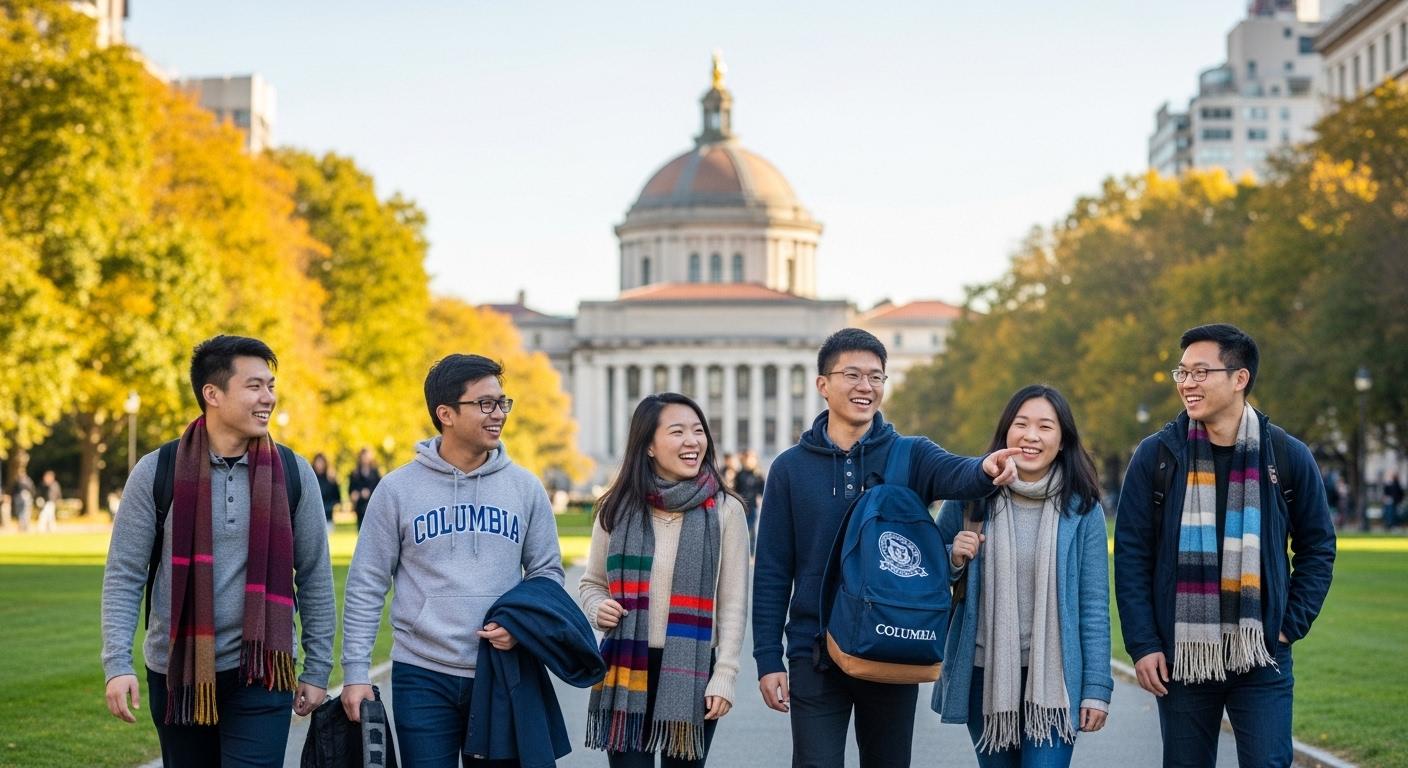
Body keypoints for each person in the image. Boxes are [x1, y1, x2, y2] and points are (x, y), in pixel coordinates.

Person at [752, 327, 1023, 767]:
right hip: (814, 653)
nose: (866, 386)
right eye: (852, 375)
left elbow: (958, 472)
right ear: (823, 384)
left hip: (892, 643)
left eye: (876, 377)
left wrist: (985, 469)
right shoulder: (789, 468)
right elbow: (772, 572)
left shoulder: (910, 454)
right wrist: (768, 659)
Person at [100, 335, 336, 767]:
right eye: (254, 386)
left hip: (264, 670)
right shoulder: (156, 471)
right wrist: (117, 664)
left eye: (271, 385)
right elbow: (124, 574)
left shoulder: (292, 472)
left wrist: (318, 668)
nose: (268, 398)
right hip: (178, 674)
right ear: (212, 394)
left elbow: (315, 574)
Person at [1114, 323, 1336, 767]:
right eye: (1182, 372)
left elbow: (1317, 547)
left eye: (1200, 372)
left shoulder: (1286, 454)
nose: (1187, 383)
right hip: (1182, 657)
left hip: (1261, 654)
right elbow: (1132, 556)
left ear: (1240, 378)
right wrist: (1143, 644)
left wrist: (1287, 626)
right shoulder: (1156, 456)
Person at [339, 353, 565, 767]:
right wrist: (355, 672)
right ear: (446, 414)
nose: (499, 414)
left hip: (501, 670)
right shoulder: (397, 490)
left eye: (502, 402)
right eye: (485, 404)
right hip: (421, 674)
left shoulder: (525, 488)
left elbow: (547, 573)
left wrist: (522, 626)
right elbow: (366, 583)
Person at [931, 385, 1112, 767]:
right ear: (1006, 432)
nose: (1031, 436)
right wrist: (953, 557)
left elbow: (1094, 605)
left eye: (1045, 426)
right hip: (985, 675)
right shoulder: (970, 495)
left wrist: (1096, 687)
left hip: (1056, 677)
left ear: (1062, 441)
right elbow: (927, 571)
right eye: (1021, 424)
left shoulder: (1083, 509)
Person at [579, 393, 751, 767]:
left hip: (693, 669)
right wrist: (598, 608)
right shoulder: (615, 508)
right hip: (627, 666)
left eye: (698, 431)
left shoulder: (726, 510)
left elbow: (734, 603)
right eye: (678, 432)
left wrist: (725, 674)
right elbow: (592, 583)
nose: (693, 441)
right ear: (649, 446)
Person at [732, 450, 764, 550]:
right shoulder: (739, 474)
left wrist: (759, 497)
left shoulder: (758, 474)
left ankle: (751, 550)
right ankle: (742, 548)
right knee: (742, 527)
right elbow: (736, 489)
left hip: (752, 505)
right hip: (741, 504)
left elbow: (762, 489)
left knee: (751, 527)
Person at [348, 447, 381, 530]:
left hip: (372, 505)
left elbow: (379, 488)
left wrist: (369, 492)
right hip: (360, 506)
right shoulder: (355, 473)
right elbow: (351, 489)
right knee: (361, 529)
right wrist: (354, 494)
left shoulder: (375, 472)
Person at [312, 453, 341, 535]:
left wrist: (330, 507)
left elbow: (337, 498)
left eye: (321, 462)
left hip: (328, 516)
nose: (320, 464)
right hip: (314, 516)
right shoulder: (311, 479)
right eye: (318, 462)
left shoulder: (331, 479)